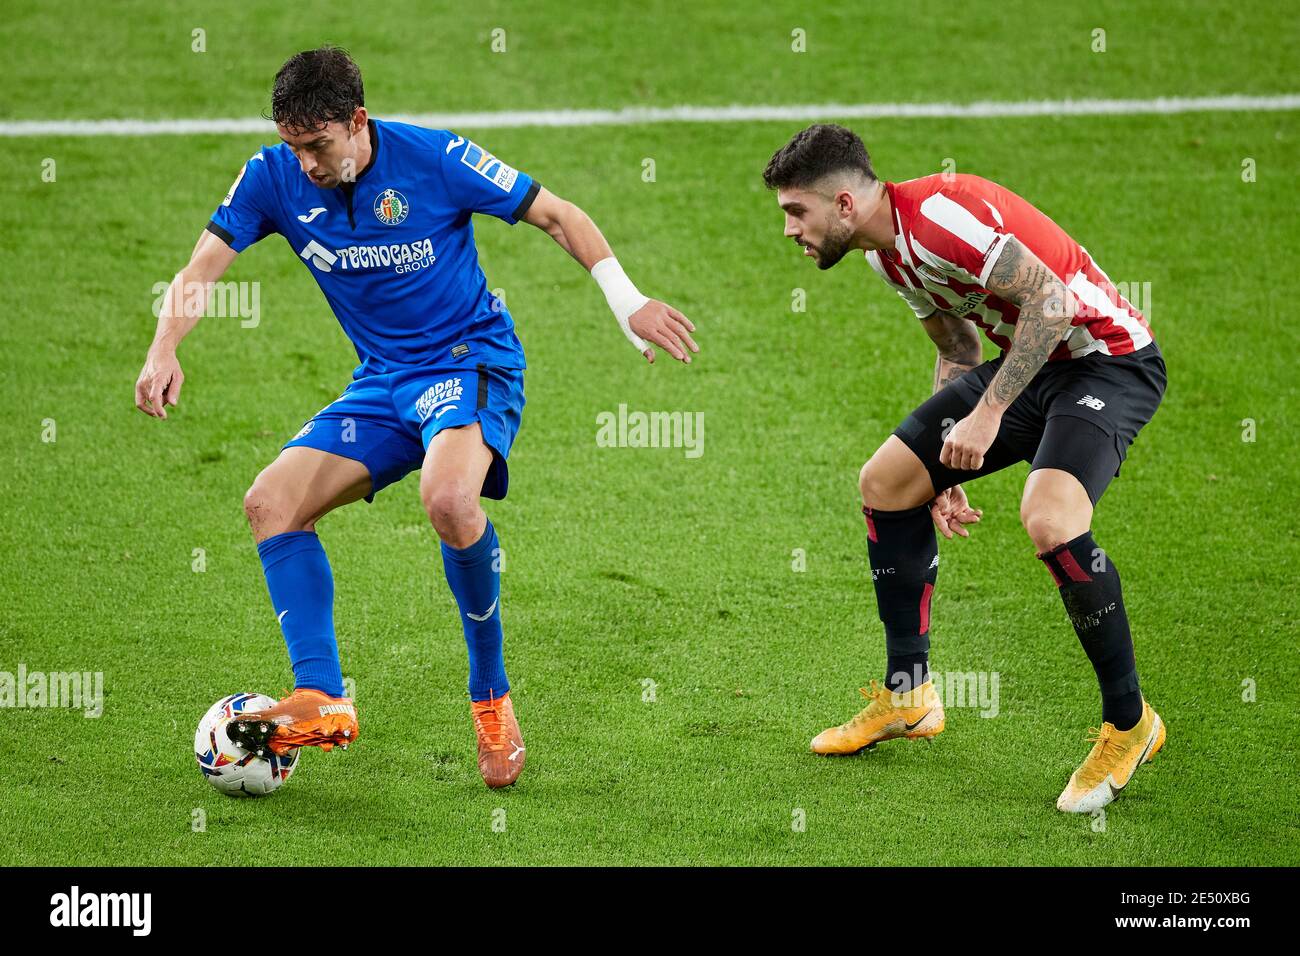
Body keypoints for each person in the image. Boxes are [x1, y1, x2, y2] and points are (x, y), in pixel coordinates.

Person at [134, 47, 698, 789]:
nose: (304, 163)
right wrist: (163, 347)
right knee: (270, 502)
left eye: (319, 145)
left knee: (449, 498)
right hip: (385, 382)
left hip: (471, 363)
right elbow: (200, 269)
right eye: (294, 145)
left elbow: (556, 214)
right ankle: (322, 695)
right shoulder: (271, 175)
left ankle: (490, 698)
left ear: (357, 122)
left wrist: (628, 300)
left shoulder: (434, 158)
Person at [763, 124, 1166, 813]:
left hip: (1108, 362)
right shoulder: (884, 254)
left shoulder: (944, 218)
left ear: (844, 206)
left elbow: (1051, 303)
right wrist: (941, 471)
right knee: (888, 483)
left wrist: (985, 416)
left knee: (1050, 519)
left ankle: (1130, 724)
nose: (790, 230)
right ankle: (909, 694)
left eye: (796, 212)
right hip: (1032, 365)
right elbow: (956, 342)